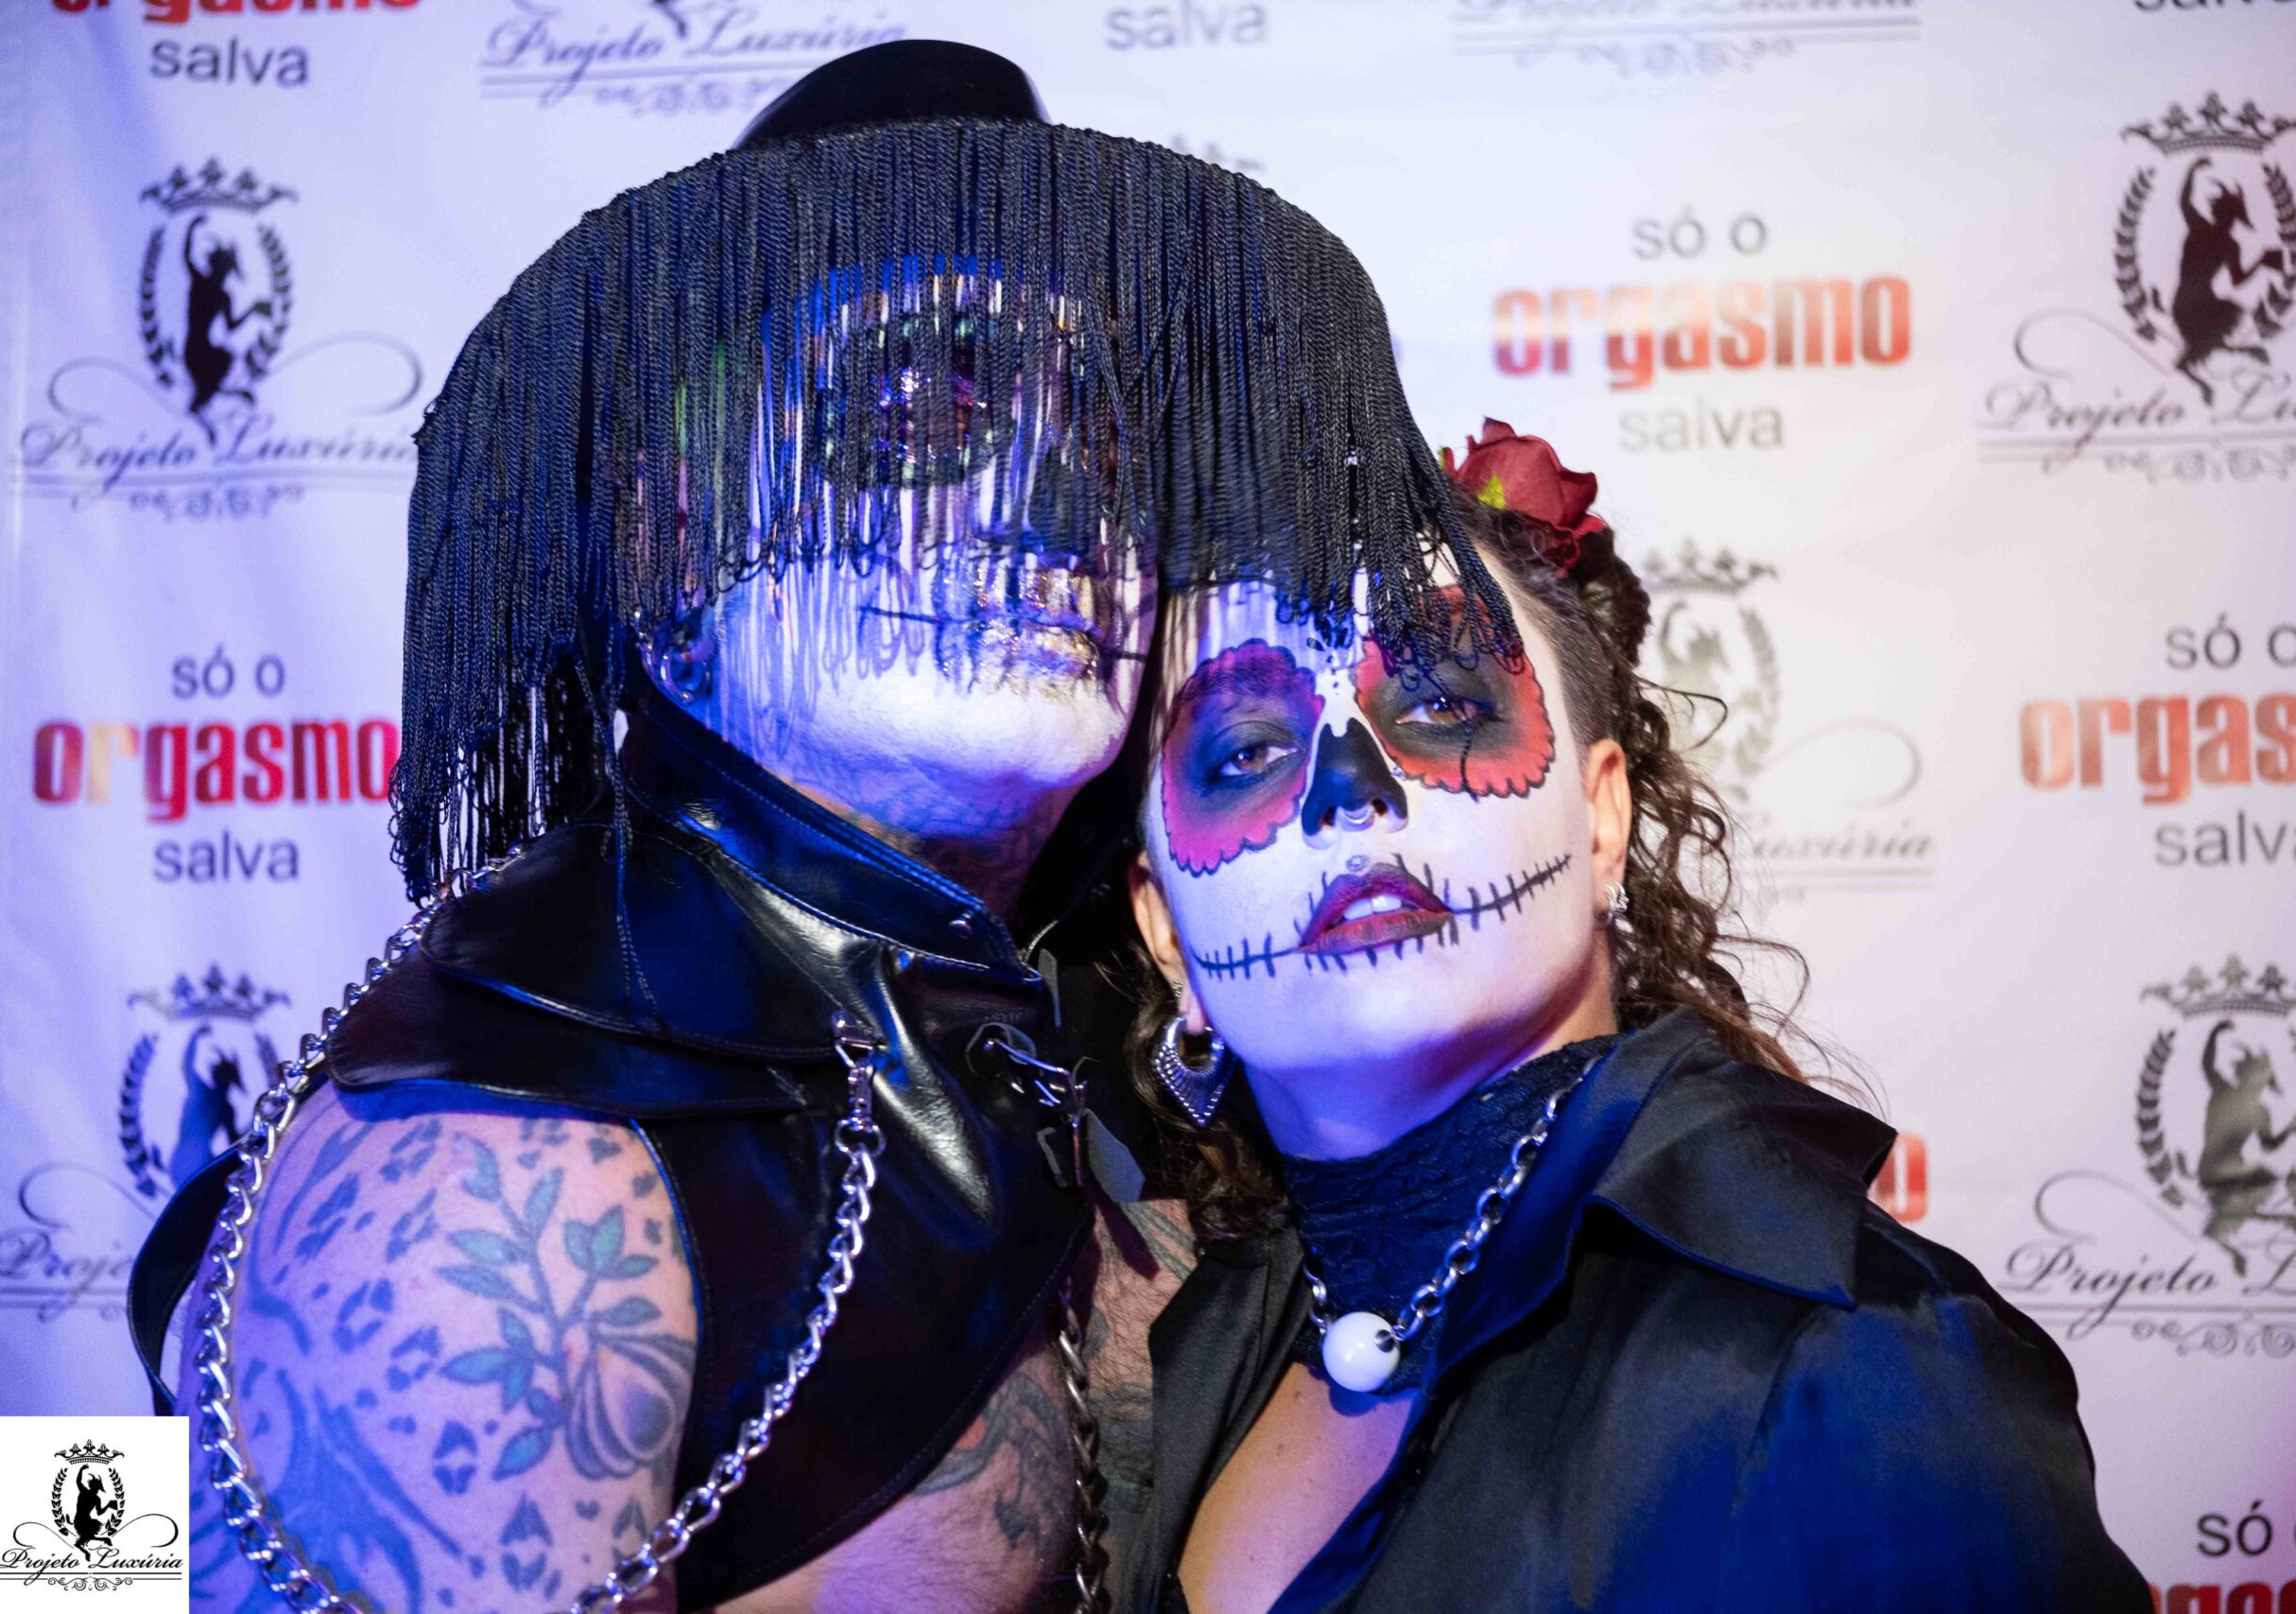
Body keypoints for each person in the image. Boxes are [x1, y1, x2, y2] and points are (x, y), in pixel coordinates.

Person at [125, 41, 1468, 1614]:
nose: (1051, 499)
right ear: (671, 539)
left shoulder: (1087, 1025)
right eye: (920, 408)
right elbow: (81, 1551)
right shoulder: (504, 1185)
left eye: (1103, 444)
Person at [1109, 422, 2151, 1612]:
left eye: (1441, 703)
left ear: (1601, 822)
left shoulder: (1844, 1360)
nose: (1349, 793)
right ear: (1164, 927)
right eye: (1247, 751)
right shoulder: (1168, 1366)